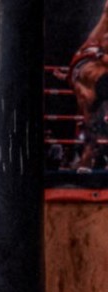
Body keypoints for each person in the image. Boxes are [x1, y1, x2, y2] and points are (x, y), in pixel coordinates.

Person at [54, 0, 108, 172]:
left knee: (91, 123)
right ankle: (86, 160)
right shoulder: (96, 46)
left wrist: (100, 56)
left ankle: (86, 160)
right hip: (83, 70)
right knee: (91, 123)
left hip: (86, 70)